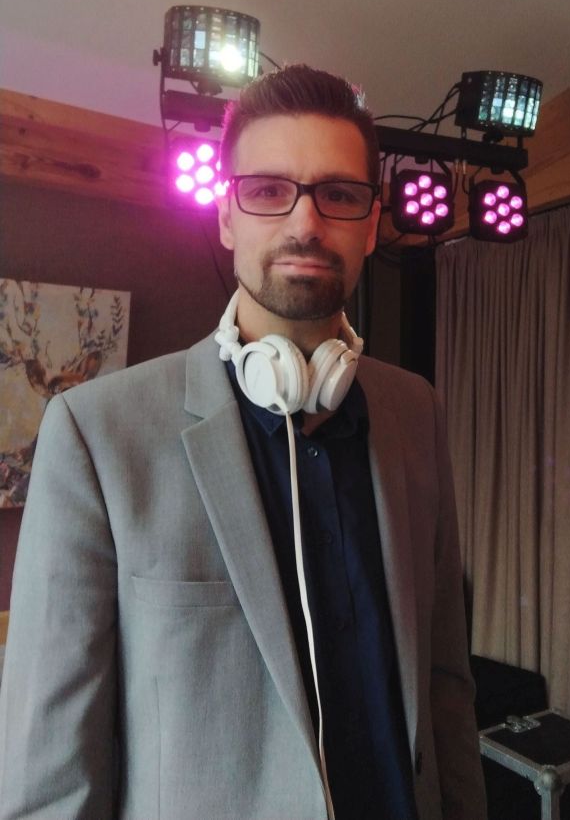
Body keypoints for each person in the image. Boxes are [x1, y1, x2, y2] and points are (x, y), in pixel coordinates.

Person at [0, 65, 486, 820]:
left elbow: (446, 682)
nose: (305, 223)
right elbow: (50, 777)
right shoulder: (96, 435)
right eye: (266, 190)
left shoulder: (415, 412)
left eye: (338, 194)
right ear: (227, 216)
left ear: (370, 223)